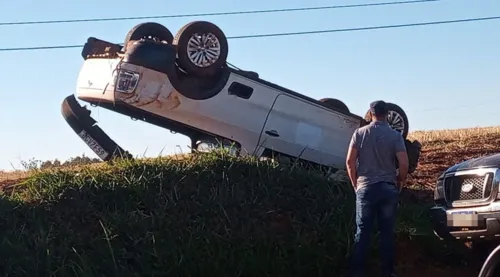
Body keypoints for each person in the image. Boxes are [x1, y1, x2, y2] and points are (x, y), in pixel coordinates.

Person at [345, 100, 409, 277]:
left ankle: (358, 272)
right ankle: (387, 272)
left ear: (371, 114)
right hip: (388, 188)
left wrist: (355, 184)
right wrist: (400, 180)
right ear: (387, 114)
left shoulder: (359, 133)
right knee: (387, 233)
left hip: (365, 188)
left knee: (362, 232)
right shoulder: (395, 136)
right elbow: (404, 163)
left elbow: (350, 162)